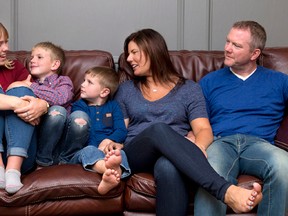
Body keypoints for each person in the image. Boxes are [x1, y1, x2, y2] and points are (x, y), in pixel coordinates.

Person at [114, 28, 263, 216]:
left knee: (169, 166)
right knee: (158, 130)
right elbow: (120, 130)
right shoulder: (126, 89)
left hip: (174, 154)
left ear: (152, 51)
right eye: (128, 54)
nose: (128, 59)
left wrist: (197, 149)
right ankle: (226, 191)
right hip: (137, 154)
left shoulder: (189, 89)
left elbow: (203, 129)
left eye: (134, 52)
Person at [195, 20, 288, 215]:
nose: (227, 49)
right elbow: (198, 122)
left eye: (236, 45)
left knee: (284, 165)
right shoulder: (209, 82)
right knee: (210, 172)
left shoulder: (279, 81)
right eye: (228, 42)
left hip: (259, 145)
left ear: (255, 54)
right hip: (221, 143)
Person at [59, 66, 130, 195]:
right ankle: (107, 169)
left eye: (89, 82)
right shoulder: (79, 106)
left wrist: (109, 141)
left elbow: (121, 130)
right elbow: (86, 132)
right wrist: (97, 149)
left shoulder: (113, 106)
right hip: (83, 151)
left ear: (104, 92)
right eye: (84, 80)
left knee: (119, 153)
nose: (82, 84)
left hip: (107, 151)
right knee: (90, 150)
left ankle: (113, 176)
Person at [0, 23, 48, 194]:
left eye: (6, 42)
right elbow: (22, 104)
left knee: (20, 88)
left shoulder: (15, 67)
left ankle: (12, 170)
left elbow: (31, 98)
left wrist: (43, 105)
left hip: (22, 156)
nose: (6, 48)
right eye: (0, 43)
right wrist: (16, 103)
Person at [13, 41, 74, 167]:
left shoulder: (63, 81)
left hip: (59, 141)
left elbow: (60, 98)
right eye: (31, 58)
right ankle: (39, 160)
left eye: (39, 57)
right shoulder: (27, 81)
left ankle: (47, 161)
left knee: (58, 111)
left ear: (55, 64)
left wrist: (32, 86)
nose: (32, 60)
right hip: (36, 137)